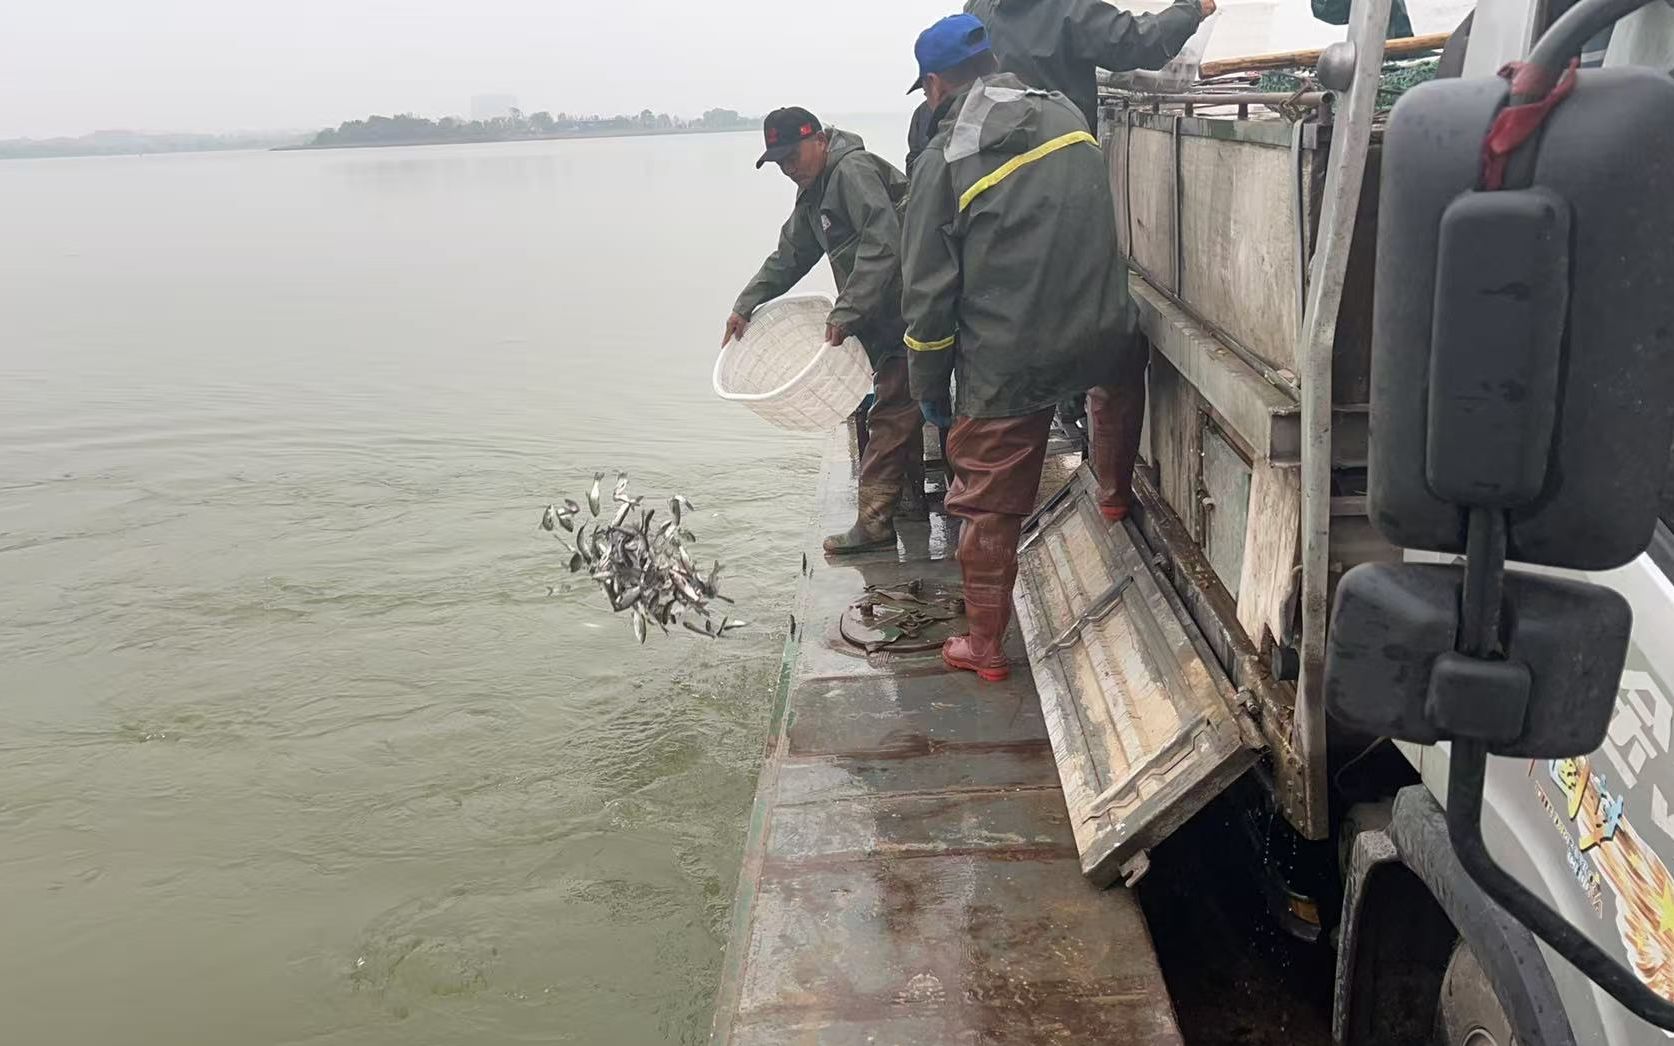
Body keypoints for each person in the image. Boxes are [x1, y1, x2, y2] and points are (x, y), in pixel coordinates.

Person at [901, 14, 1134, 682]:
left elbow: (927, 301)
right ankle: (1114, 495)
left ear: (935, 85)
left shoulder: (943, 162)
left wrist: (930, 391)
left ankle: (985, 647)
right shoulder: (1064, 112)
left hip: (1011, 359)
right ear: (992, 61)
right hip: (1102, 327)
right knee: (1117, 375)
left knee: (986, 501)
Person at [965, 0, 1215, 523]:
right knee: (1111, 338)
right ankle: (1113, 496)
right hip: (1060, 184)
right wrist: (1192, 10)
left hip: (993, 198)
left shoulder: (982, 12)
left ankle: (1004, 490)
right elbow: (1135, 41)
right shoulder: (1064, 10)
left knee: (1023, 334)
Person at [722, 108, 924, 554]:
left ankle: (875, 523)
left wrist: (846, 312)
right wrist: (745, 303)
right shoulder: (815, 192)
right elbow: (790, 255)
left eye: (793, 156)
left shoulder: (851, 172)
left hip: (913, 309)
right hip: (883, 317)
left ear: (819, 140)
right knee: (899, 404)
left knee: (891, 412)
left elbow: (884, 244)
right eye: (780, 163)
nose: (789, 169)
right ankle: (909, 503)